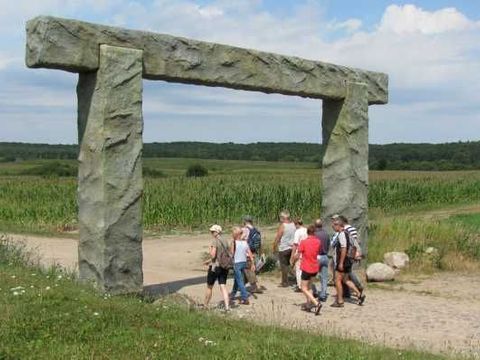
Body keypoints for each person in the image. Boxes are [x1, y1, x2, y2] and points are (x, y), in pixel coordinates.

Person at [331, 219, 366, 308]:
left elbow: (343, 248)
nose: (333, 226)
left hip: (343, 260)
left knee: (337, 280)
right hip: (349, 260)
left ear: (340, 226)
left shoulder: (342, 234)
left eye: (335, 224)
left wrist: (341, 263)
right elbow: (354, 245)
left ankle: (340, 301)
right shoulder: (348, 234)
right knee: (346, 280)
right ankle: (359, 294)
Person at [294, 225, 322, 315]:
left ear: (307, 232)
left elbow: (298, 254)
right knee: (309, 287)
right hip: (315, 267)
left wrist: (293, 259)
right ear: (314, 232)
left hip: (306, 267)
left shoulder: (303, 242)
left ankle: (316, 303)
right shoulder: (318, 241)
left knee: (303, 288)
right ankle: (308, 304)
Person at [204, 224, 232, 311]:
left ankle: (205, 305)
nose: (211, 233)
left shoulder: (215, 241)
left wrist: (210, 252)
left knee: (209, 287)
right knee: (223, 286)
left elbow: (213, 255)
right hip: (224, 266)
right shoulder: (225, 240)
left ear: (217, 232)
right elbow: (225, 254)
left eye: (213, 231)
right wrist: (208, 260)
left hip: (215, 267)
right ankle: (227, 307)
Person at [339, 215, 364, 297]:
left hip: (349, 252)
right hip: (353, 251)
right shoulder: (353, 228)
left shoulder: (345, 230)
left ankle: (358, 287)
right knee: (348, 272)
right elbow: (354, 240)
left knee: (348, 273)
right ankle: (353, 289)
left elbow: (346, 243)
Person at [230, 226, 255, 305]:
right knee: (237, 279)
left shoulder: (234, 242)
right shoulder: (245, 242)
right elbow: (250, 253)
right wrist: (253, 263)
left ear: (235, 235)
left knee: (240, 281)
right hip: (244, 262)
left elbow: (231, 254)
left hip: (236, 263)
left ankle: (245, 298)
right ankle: (233, 294)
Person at [272, 210, 296, 287]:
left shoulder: (283, 226)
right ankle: (295, 277)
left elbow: (278, 237)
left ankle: (284, 282)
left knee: (284, 266)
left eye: (280, 218)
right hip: (292, 247)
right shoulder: (293, 225)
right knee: (290, 264)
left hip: (284, 248)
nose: (280, 219)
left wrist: (274, 246)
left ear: (283, 217)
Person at [241, 215, 262, 293]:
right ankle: (240, 285)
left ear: (245, 221)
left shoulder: (244, 229)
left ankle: (254, 287)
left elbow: (240, 240)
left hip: (246, 252)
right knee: (244, 270)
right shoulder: (256, 230)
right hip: (253, 251)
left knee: (248, 269)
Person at [290, 218, 308, 292]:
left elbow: (295, 244)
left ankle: (300, 286)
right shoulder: (307, 230)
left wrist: (292, 255)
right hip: (307, 253)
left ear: (296, 224)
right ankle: (305, 284)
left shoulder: (297, 232)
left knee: (298, 270)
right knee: (305, 270)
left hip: (299, 253)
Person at [314, 218, 330, 302]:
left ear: (315, 225)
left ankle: (314, 291)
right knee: (324, 277)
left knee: (310, 275)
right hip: (325, 256)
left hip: (317, 257)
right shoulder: (326, 234)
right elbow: (328, 245)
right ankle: (323, 294)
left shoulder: (314, 234)